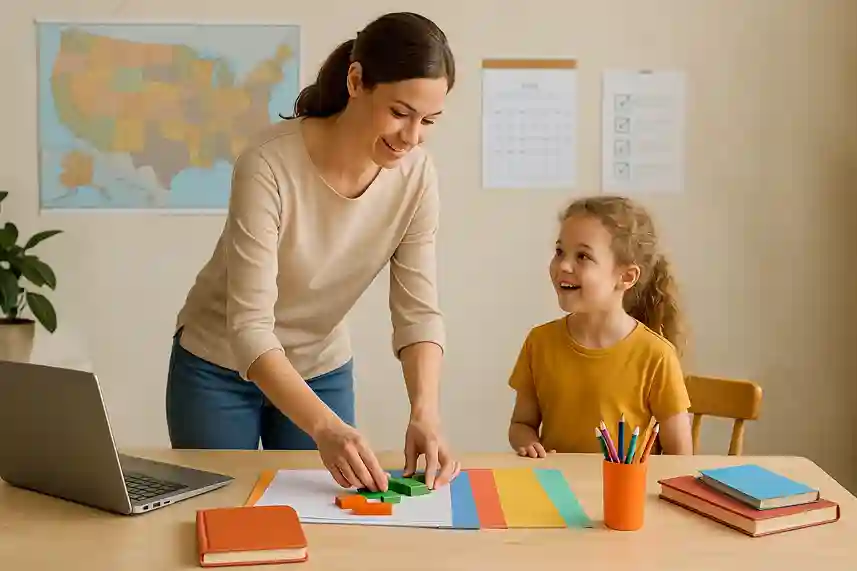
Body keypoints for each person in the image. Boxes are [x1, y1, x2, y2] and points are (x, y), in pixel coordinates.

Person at [165, 12, 459, 492]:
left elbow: (418, 313)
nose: (411, 137)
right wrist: (325, 428)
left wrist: (426, 412)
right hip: (216, 365)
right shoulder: (267, 165)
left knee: (323, 520)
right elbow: (250, 329)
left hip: (320, 366)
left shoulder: (417, 177)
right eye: (400, 113)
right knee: (220, 509)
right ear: (357, 80)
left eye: (428, 121)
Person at [507, 195, 693, 459]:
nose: (563, 266)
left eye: (582, 256)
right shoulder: (539, 342)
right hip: (554, 490)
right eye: (560, 252)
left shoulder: (657, 355)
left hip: (623, 495)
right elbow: (521, 424)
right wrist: (526, 442)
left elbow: (680, 457)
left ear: (626, 277)